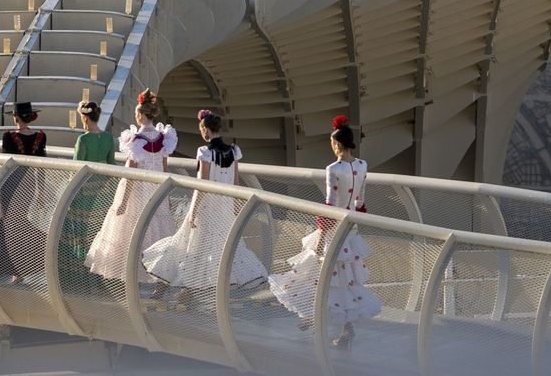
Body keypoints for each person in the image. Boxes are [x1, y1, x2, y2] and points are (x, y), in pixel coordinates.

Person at [269, 115, 380, 349]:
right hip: (351, 229)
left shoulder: (333, 169)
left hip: (333, 230)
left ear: (338, 144)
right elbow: (360, 201)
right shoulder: (362, 165)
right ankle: (319, 318)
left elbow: (329, 205)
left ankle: (338, 326)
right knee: (345, 281)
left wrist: (320, 235)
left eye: (332, 143)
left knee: (320, 274)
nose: (332, 147)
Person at [143, 110, 267, 306]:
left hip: (207, 207)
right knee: (218, 249)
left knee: (187, 244)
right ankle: (195, 292)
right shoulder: (234, 151)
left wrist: (193, 212)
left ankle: (169, 289)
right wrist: (235, 207)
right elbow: (236, 182)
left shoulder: (205, 152)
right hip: (225, 206)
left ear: (205, 130)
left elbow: (202, 185)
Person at [84, 89, 177, 281]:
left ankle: (132, 280)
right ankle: (159, 279)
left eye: (137, 113)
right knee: (158, 231)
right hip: (157, 190)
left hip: (138, 193)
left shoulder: (135, 141)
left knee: (131, 234)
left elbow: (130, 176)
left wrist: (123, 202)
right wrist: (166, 196)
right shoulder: (164, 139)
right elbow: (165, 170)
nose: (136, 116)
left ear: (141, 115)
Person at [0, 101, 49, 283]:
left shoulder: (8, 137)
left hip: (10, 184)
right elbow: (42, 166)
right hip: (28, 185)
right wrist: (41, 192)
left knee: (10, 224)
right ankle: (21, 267)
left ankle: (12, 267)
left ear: (15, 118)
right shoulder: (40, 137)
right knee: (20, 223)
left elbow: (6, 166)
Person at [62, 99, 118, 282]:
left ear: (85, 118)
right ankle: (99, 269)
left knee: (82, 230)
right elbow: (113, 166)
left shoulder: (83, 139)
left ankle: (83, 269)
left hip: (84, 190)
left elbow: (77, 168)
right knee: (100, 229)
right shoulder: (109, 137)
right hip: (104, 191)